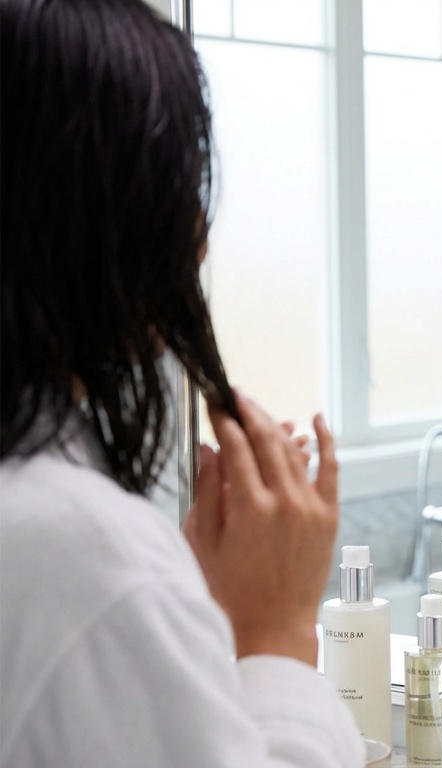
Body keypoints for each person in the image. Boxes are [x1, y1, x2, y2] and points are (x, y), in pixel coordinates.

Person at [0, 1, 364, 765]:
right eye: (175, 192)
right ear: (88, 220)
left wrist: (184, 610)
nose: (196, 243)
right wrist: (276, 628)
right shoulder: (79, 555)